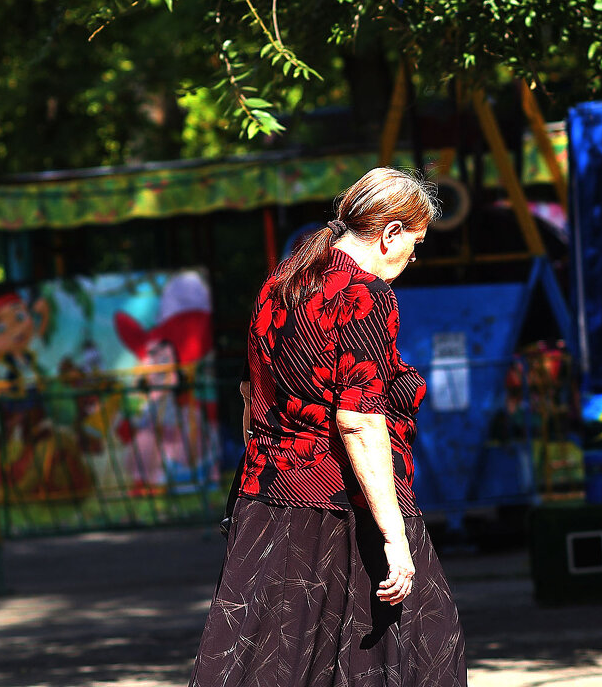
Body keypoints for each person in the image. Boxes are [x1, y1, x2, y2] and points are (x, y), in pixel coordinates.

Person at [190, 167, 466, 687]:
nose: (414, 256)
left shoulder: (282, 281)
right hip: (341, 499)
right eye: (416, 241)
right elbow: (361, 422)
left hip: (268, 499)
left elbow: (251, 394)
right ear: (389, 233)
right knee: (422, 653)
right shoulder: (364, 295)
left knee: (273, 665)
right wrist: (395, 539)